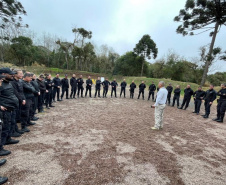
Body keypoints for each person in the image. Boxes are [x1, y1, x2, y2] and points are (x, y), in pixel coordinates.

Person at [0, 68, 19, 148]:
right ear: (3, 74)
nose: (13, 75)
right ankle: (1, 147)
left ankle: (8, 139)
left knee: (9, 125)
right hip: (4, 109)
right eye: (10, 74)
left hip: (11, 108)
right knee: (4, 128)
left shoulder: (8, 83)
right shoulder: (0, 83)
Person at [10, 69, 26, 135]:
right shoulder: (12, 82)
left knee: (17, 116)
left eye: (22, 73)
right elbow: (16, 92)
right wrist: (21, 99)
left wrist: (23, 99)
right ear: (15, 74)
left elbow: (21, 92)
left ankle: (16, 129)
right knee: (13, 117)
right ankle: (13, 131)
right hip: (15, 101)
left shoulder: (19, 81)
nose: (22, 75)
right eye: (20, 73)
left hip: (19, 100)